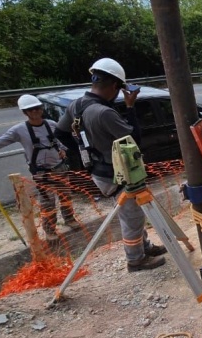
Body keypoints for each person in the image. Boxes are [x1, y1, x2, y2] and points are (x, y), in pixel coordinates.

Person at [54, 58, 166, 271]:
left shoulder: (76, 105)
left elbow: (60, 132)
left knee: (133, 211)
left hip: (100, 170)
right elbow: (135, 139)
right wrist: (130, 106)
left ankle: (144, 247)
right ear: (116, 86)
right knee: (131, 216)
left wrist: (83, 151)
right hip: (118, 174)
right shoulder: (104, 113)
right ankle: (136, 260)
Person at [0, 95, 80, 241]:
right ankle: (50, 230)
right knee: (48, 203)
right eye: (31, 110)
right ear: (25, 112)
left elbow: (62, 140)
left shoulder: (51, 125)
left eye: (37, 108)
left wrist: (63, 149)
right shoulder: (19, 130)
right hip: (42, 173)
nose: (35, 111)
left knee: (66, 196)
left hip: (59, 168)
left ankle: (69, 219)